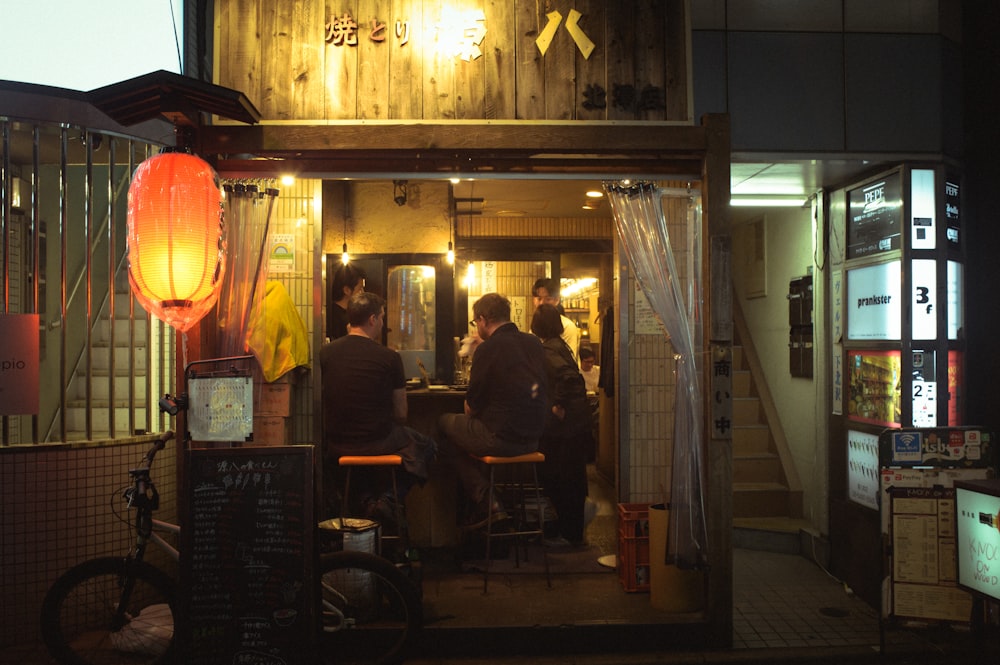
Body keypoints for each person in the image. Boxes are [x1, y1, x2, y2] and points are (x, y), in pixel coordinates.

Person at [320, 291, 436, 523]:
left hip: (336, 445)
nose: (383, 324)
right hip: (378, 441)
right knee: (428, 446)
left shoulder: (326, 353)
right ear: (372, 319)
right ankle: (388, 499)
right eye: (382, 317)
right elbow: (401, 414)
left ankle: (364, 502)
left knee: (356, 469)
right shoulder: (389, 358)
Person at [438, 293, 548, 529]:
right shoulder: (534, 343)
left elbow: (471, 408)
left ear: (483, 319)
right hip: (533, 440)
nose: (477, 328)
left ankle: (487, 501)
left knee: (444, 425)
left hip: (500, 439)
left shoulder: (488, 349)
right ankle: (493, 503)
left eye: (476, 323)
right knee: (468, 437)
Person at [530, 304, 593, 547]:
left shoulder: (547, 350)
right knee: (571, 477)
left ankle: (569, 534)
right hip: (576, 424)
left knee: (558, 476)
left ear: (537, 327)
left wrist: (558, 404)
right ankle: (571, 530)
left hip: (567, 426)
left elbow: (568, 377)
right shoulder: (559, 345)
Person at [532, 277, 580, 364]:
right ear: (534, 300)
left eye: (548, 299)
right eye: (539, 299)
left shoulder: (567, 326)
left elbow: (569, 359)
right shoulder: (535, 325)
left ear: (557, 300)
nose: (542, 303)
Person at [328, 263, 366, 340]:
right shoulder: (332, 316)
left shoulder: (350, 312)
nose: (363, 293)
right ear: (347, 290)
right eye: (360, 289)